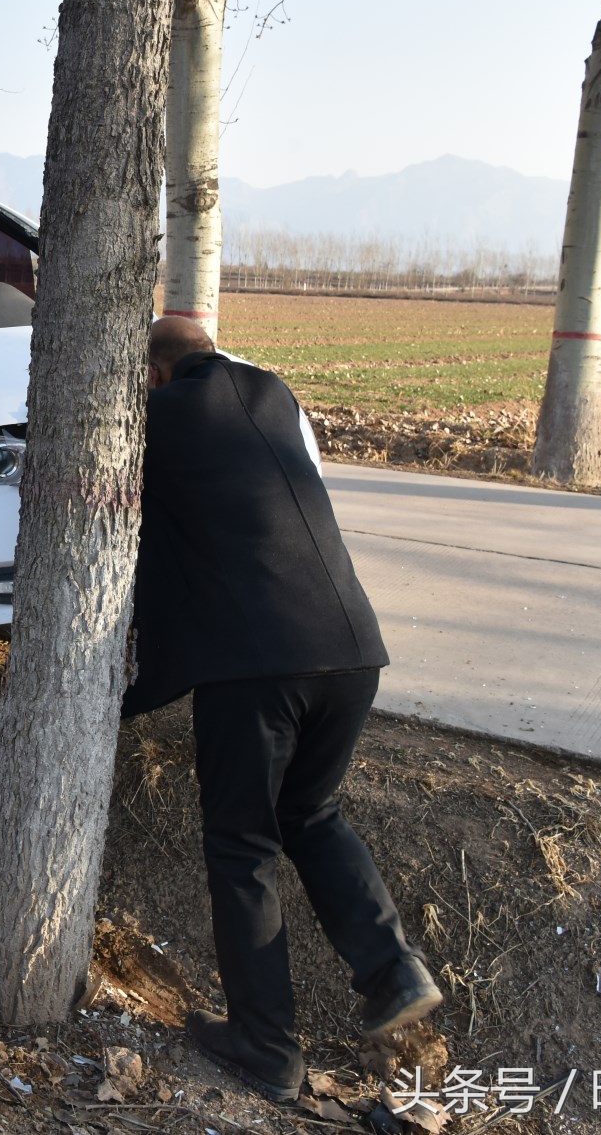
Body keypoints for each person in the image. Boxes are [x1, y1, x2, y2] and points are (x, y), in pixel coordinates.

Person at [125, 317, 440, 1103]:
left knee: (241, 844)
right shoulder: (272, 393)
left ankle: (266, 1044)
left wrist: (129, 688)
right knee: (311, 810)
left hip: (257, 665)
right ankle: (392, 967)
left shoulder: (156, 420)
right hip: (353, 649)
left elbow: (148, 546)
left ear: (157, 376)